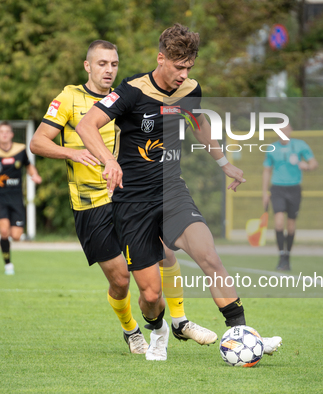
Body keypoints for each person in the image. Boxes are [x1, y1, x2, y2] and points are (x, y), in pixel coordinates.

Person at [76, 24, 282, 361]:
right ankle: (158, 331)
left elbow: (198, 124)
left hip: (172, 192)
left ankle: (244, 334)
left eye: (189, 68)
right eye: (178, 67)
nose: (183, 74)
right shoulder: (130, 90)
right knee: (151, 293)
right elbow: (86, 125)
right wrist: (109, 161)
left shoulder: (190, 89)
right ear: (161, 58)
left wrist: (225, 163)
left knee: (210, 258)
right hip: (132, 203)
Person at [29, 40, 217, 355]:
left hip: (130, 198)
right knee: (120, 280)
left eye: (113, 64)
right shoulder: (69, 99)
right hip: (92, 205)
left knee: (166, 254)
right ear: (87, 66)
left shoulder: (128, 95)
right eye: (101, 64)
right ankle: (131, 330)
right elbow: (37, 142)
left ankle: (180, 321)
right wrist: (73, 154)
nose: (108, 70)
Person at [0, 122, 42, 275]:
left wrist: (34, 175)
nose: (4, 134)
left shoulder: (20, 150)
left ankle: (10, 242)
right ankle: (8, 264)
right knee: (4, 232)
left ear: (11, 134)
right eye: (1, 132)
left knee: (16, 236)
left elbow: (29, 166)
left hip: (16, 198)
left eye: (7, 132)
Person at [262, 124, 318, 271]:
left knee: (291, 225)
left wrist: (308, 166)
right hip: (278, 188)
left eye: (286, 129)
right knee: (279, 222)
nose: (283, 132)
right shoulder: (271, 148)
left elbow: (313, 163)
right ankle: (281, 256)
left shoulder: (300, 145)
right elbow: (267, 171)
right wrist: (264, 192)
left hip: (294, 189)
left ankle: (288, 257)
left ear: (291, 130)